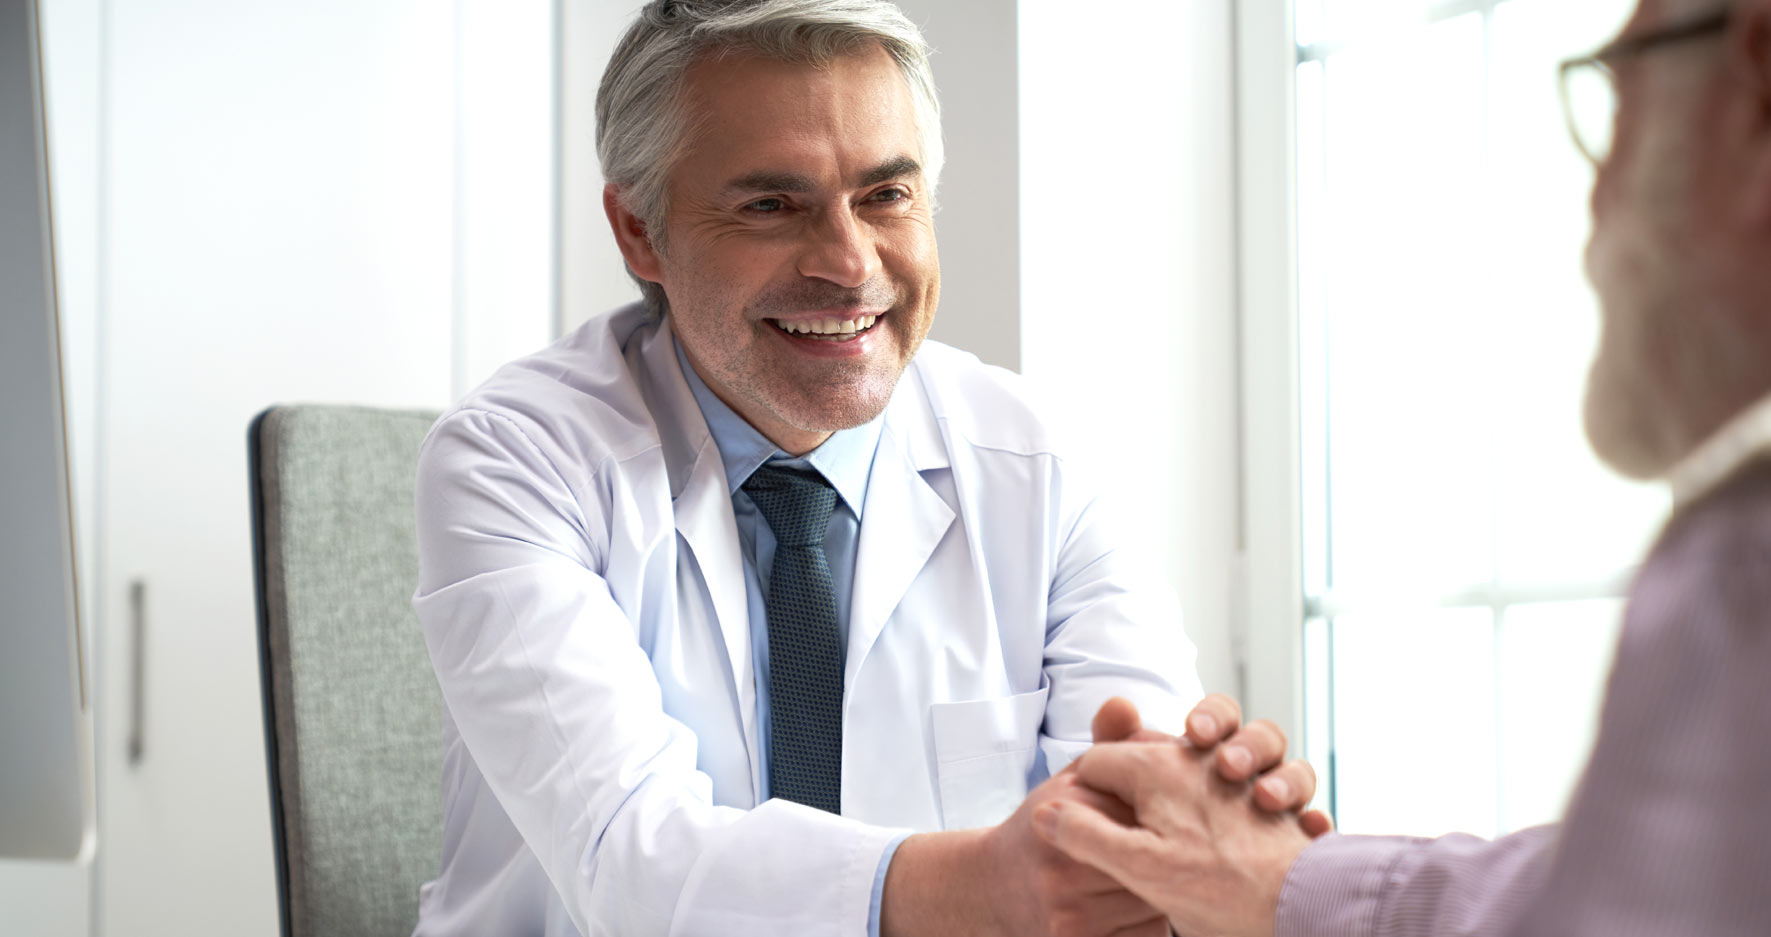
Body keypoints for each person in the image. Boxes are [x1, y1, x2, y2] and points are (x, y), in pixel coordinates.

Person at [408, 2, 1320, 935]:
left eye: (885, 196)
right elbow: (633, 862)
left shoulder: (1040, 463)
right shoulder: (513, 461)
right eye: (771, 205)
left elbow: (1143, 837)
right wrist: (986, 885)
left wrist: (1197, 838)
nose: (848, 264)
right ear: (639, 230)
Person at [1031, 1, 1771, 935]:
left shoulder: (1742, 566)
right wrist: (1278, 876)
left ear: (1757, 78)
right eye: (776, 202)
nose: (1595, 201)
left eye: (1617, 108)